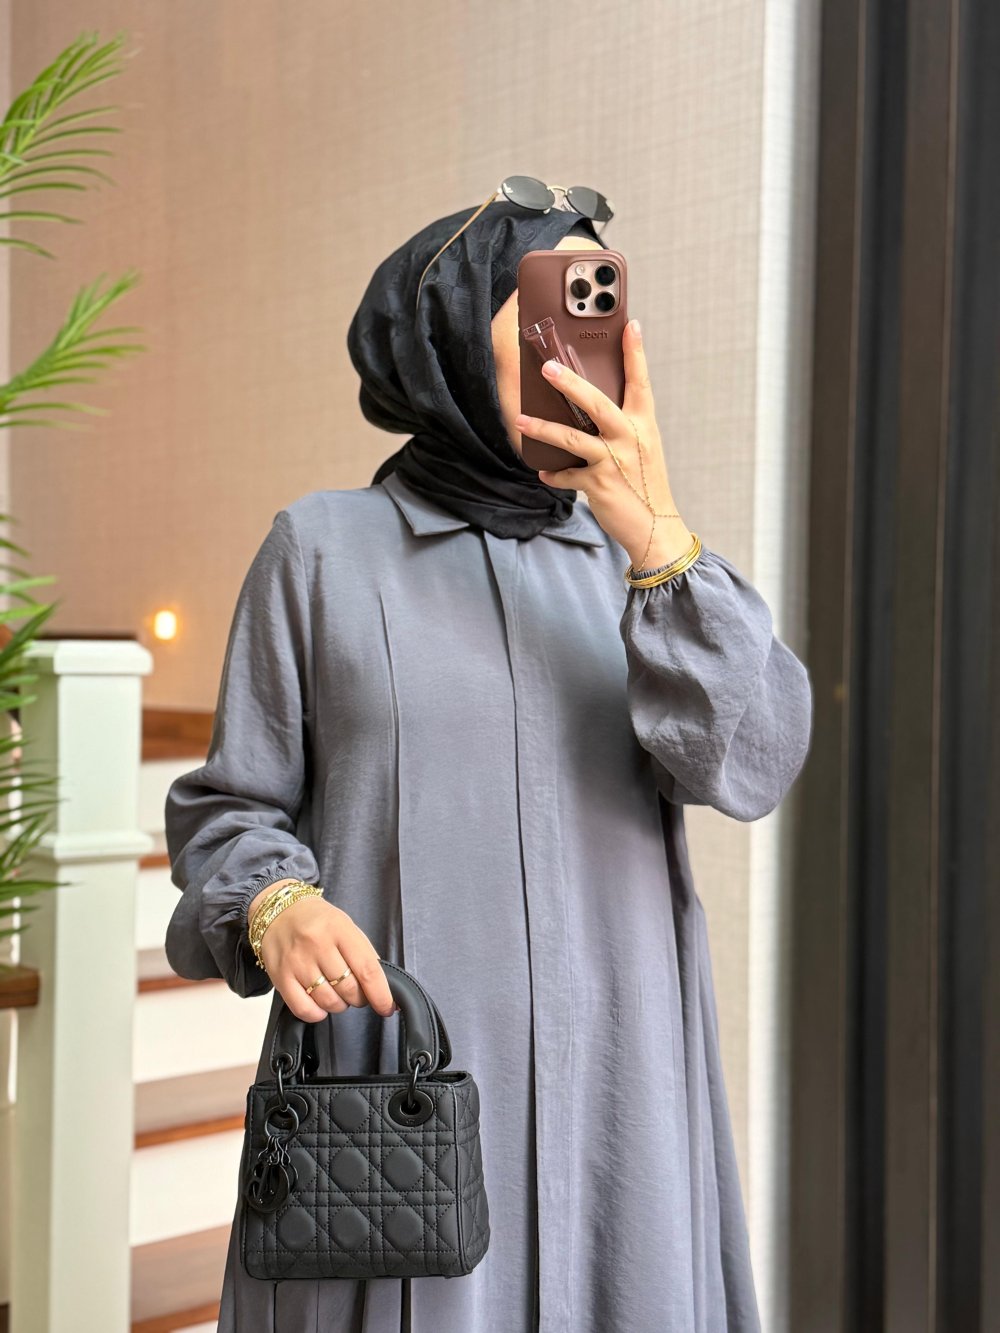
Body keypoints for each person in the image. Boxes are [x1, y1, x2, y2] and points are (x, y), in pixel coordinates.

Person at [163, 197, 813, 1332]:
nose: (578, 356)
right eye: (546, 320)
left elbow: (754, 760)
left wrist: (658, 536)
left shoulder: (642, 566)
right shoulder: (320, 551)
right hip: (392, 1098)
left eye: (597, 319)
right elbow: (230, 808)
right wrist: (275, 904)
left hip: (618, 1086)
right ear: (453, 340)